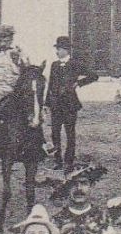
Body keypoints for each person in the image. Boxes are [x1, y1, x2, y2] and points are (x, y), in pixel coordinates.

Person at [42, 36, 98, 169]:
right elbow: (51, 85)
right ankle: (57, 160)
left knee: (70, 133)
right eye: (57, 49)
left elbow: (94, 76)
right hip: (56, 104)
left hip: (70, 105)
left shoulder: (75, 64)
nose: (57, 52)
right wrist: (46, 103)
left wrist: (78, 83)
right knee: (55, 133)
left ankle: (69, 160)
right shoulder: (54, 65)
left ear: (66, 50)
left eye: (60, 49)